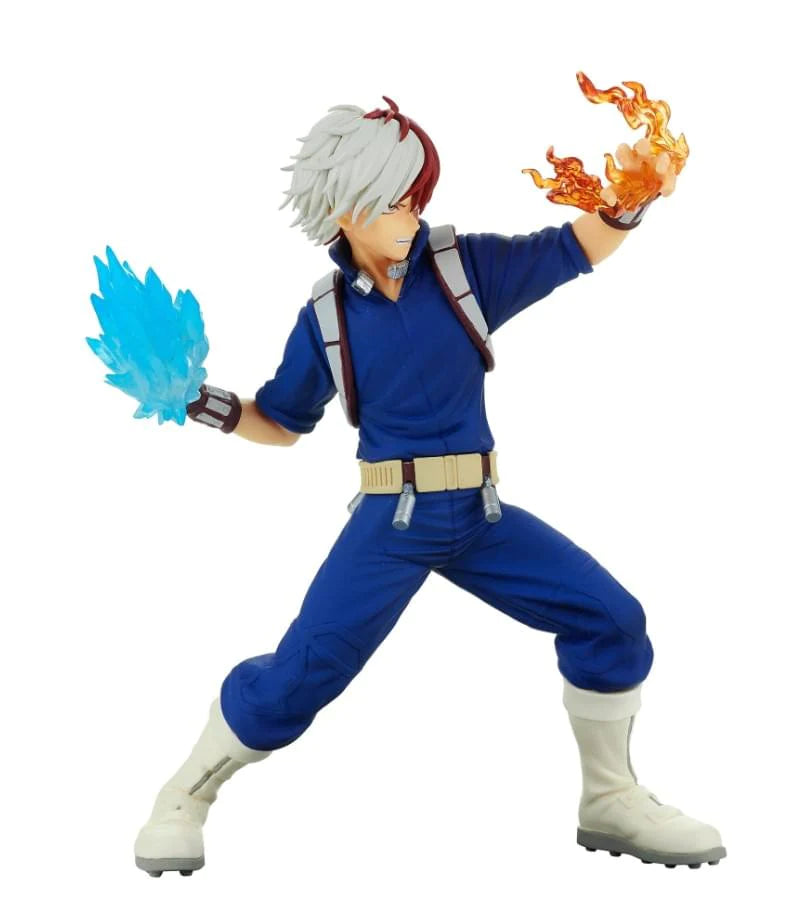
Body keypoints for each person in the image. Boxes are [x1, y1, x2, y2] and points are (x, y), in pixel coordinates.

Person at [134, 97, 725, 876]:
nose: (411, 215)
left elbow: (570, 249)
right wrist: (199, 403)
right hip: (393, 521)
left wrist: (630, 200)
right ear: (344, 208)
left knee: (613, 618)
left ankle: (609, 798)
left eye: (416, 198)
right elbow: (280, 420)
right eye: (393, 201)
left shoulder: (461, 271)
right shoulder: (327, 316)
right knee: (302, 674)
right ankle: (184, 794)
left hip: (481, 515)